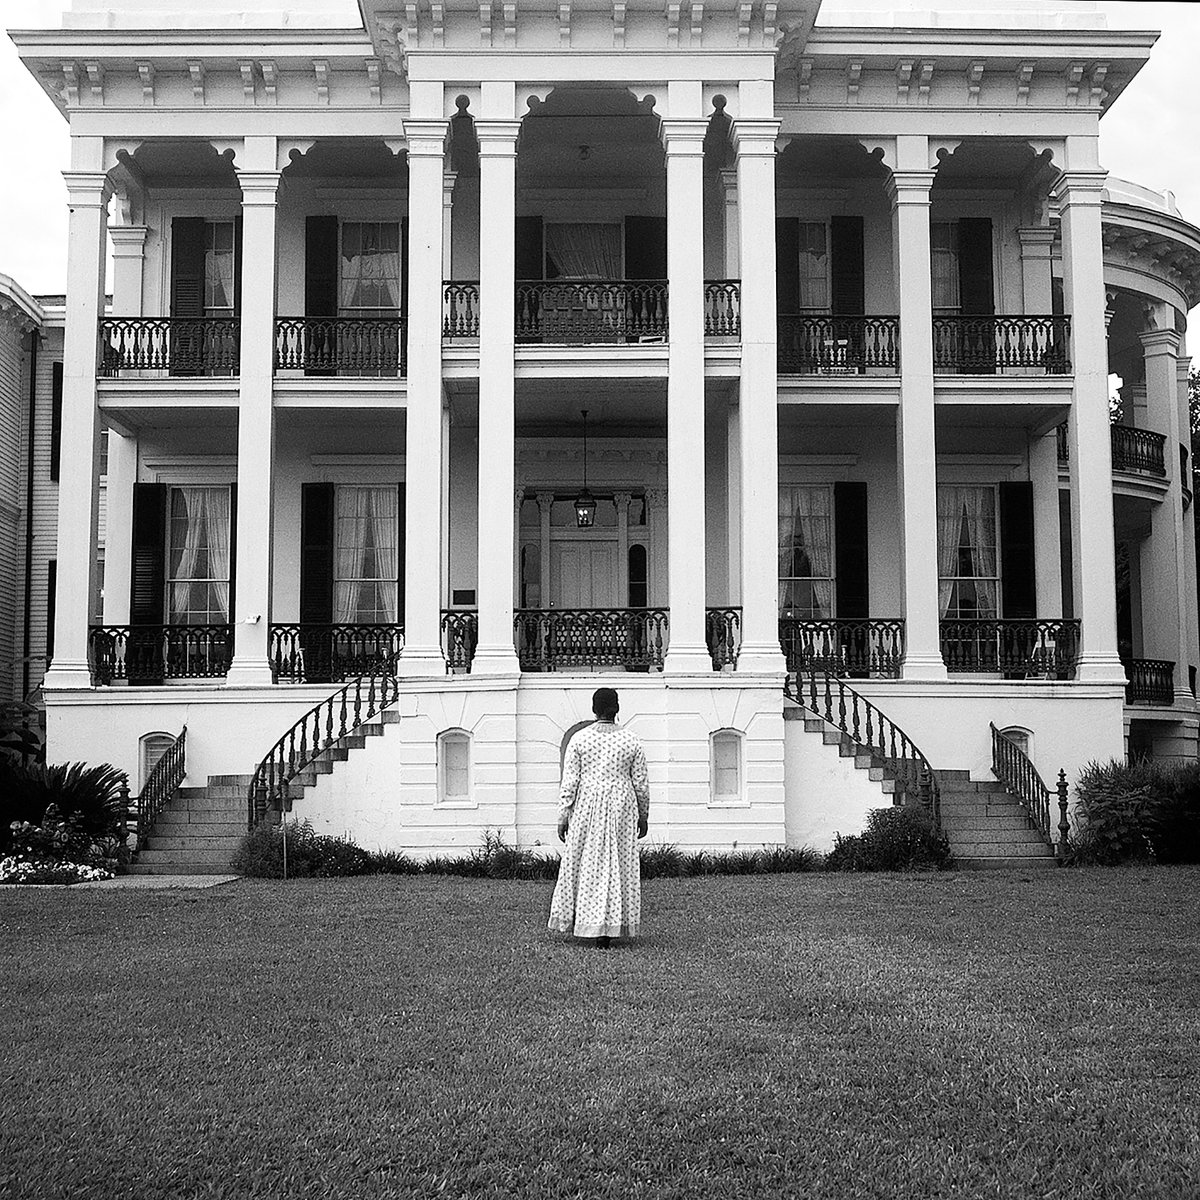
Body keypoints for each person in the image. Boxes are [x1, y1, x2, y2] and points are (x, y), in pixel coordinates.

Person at [547, 687, 650, 945]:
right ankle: (613, 924)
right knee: (617, 863)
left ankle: (588, 922)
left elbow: (570, 781)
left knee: (588, 863)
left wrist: (563, 814)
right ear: (617, 709)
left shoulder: (580, 740)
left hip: (588, 804)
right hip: (621, 806)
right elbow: (641, 783)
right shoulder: (631, 740)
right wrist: (643, 814)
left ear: (594, 709)